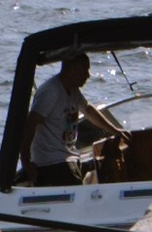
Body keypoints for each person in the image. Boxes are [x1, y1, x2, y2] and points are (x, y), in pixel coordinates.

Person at [24, 49, 104, 177]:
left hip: (68, 156)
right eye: (84, 70)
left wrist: (115, 130)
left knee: (101, 167)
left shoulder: (73, 90)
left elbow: (88, 110)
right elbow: (30, 125)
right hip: (51, 162)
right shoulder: (51, 92)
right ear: (71, 69)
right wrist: (26, 161)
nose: (88, 75)